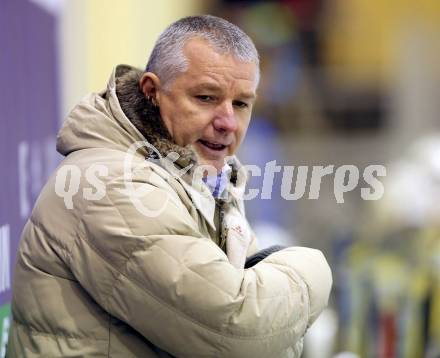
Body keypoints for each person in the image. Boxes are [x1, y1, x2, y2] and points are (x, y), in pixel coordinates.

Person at [7, 15, 332, 357]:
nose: (227, 123)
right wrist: (313, 269)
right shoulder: (110, 184)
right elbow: (239, 329)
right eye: (206, 97)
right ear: (152, 92)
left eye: (241, 104)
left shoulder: (199, 169)